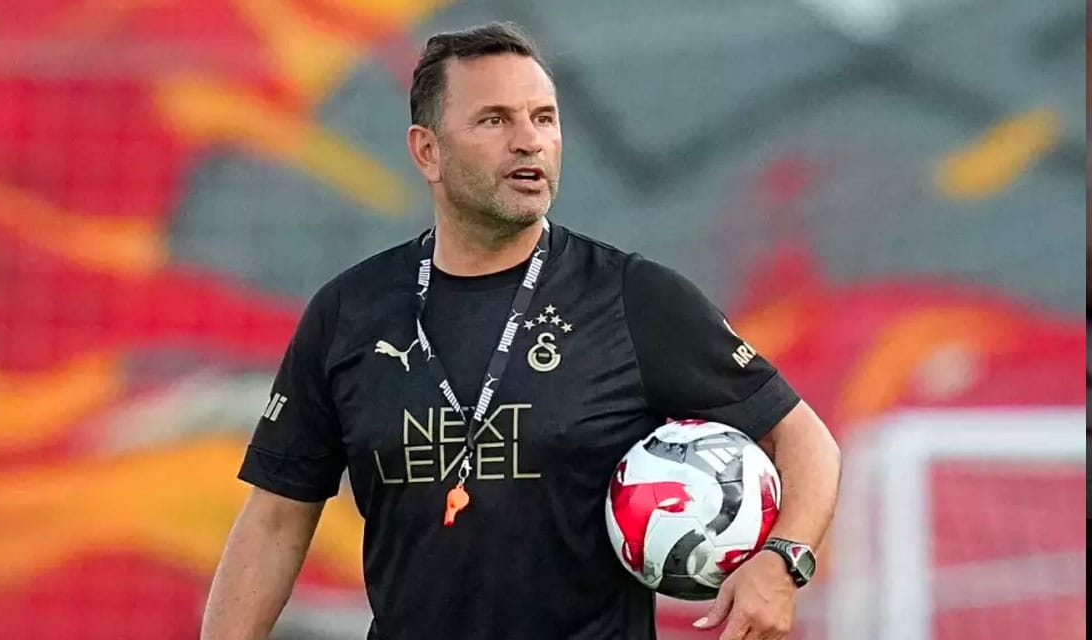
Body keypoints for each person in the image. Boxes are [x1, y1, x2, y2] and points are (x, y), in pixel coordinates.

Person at [201, 21, 841, 640]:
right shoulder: (348, 312)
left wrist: (784, 559)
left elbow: (805, 440)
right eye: (494, 120)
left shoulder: (633, 297)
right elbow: (276, 520)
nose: (529, 141)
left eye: (543, 118)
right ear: (427, 151)